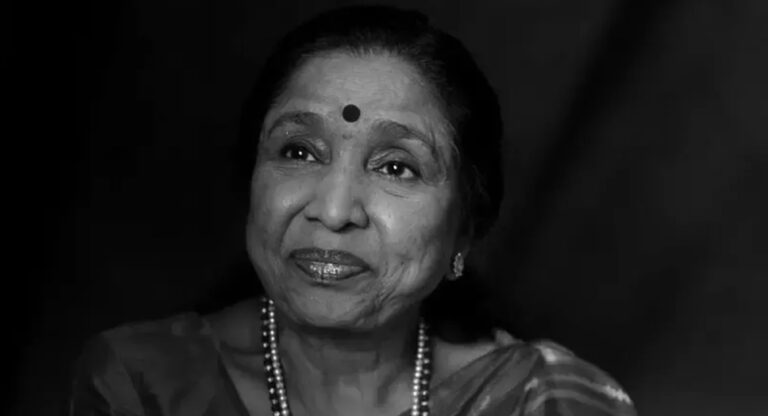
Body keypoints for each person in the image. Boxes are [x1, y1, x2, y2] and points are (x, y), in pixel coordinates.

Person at [69, 5, 637, 416]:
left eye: (396, 167)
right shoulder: (142, 386)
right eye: (299, 152)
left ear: (465, 228)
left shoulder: (547, 403)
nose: (335, 210)